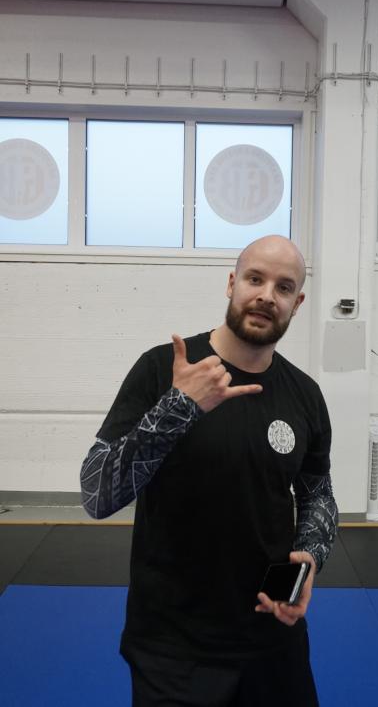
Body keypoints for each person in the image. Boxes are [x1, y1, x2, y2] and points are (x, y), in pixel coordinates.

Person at [80, 234, 338, 707]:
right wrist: (178, 407)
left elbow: (318, 493)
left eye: (283, 287)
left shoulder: (304, 394)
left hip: (272, 636)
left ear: (297, 303)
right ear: (231, 283)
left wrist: (309, 556)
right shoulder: (162, 369)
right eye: (255, 279)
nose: (266, 296)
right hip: (174, 647)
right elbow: (97, 493)